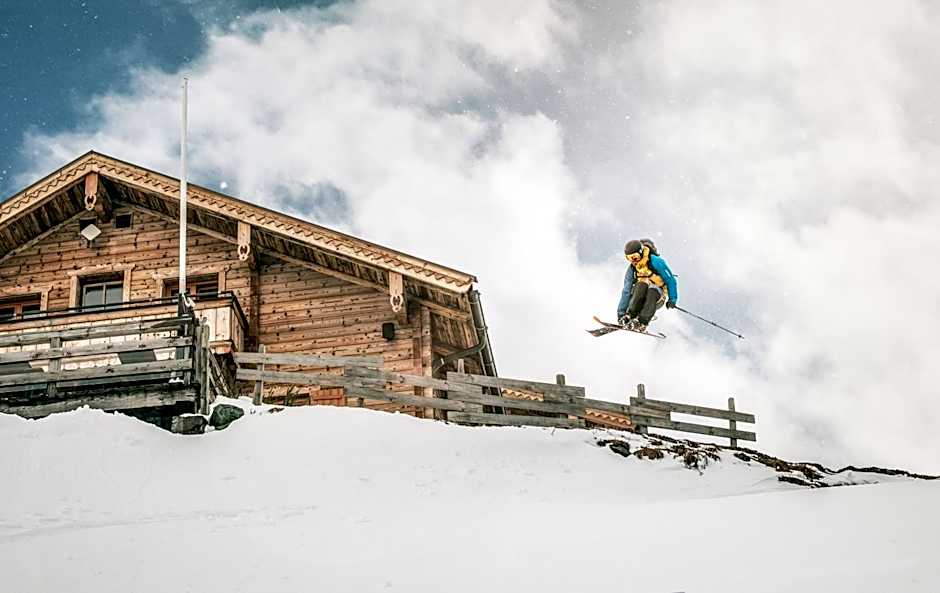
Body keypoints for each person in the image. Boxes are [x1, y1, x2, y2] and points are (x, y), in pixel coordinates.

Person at [616, 239, 678, 332]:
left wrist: (672, 299)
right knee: (641, 285)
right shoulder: (632, 269)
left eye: (635, 257)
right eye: (629, 258)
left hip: (657, 297)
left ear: (641, 253)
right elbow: (626, 291)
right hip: (639, 297)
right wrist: (621, 313)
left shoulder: (655, 261)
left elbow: (670, 280)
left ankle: (642, 322)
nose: (633, 261)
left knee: (652, 290)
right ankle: (630, 316)